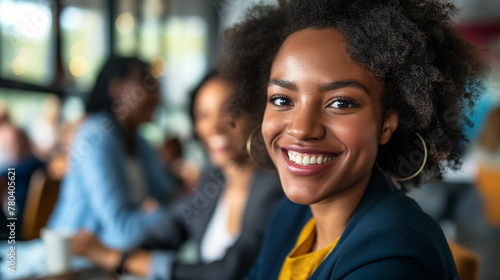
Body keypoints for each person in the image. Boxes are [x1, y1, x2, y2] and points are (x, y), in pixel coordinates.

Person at [219, 0, 486, 279]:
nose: (301, 129)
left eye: (341, 103)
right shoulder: (290, 217)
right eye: (282, 99)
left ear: (387, 124)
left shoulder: (395, 253)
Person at [71, 72, 284, 279]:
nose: (214, 127)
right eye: (203, 115)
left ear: (256, 115)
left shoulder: (273, 186)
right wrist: (121, 264)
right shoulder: (215, 177)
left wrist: (119, 260)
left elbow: (228, 271)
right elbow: (169, 228)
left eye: (230, 112)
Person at [47, 56, 177, 249]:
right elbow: (121, 230)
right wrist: (184, 217)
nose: (156, 94)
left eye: (156, 84)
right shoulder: (96, 135)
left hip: (109, 259)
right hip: (72, 261)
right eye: (146, 82)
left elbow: (169, 196)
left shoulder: (139, 142)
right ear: (116, 88)